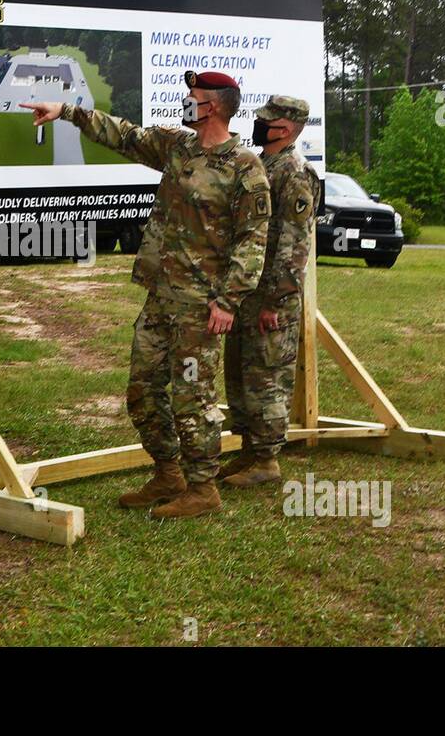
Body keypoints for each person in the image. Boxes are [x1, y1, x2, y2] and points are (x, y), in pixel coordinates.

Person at [21, 71, 270, 517]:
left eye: (192, 97)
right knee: (143, 389)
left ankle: (202, 488)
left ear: (212, 107)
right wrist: (67, 112)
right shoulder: (178, 147)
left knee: (192, 397)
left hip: (202, 306)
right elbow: (125, 135)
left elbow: (253, 241)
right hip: (161, 297)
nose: (186, 102)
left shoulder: (244, 167)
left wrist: (228, 300)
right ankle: (168, 473)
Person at [220, 95, 321, 486]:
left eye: (267, 121)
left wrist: (276, 300)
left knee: (266, 376)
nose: (259, 125)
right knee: (242, 372)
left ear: (285, 128)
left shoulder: (295, 172)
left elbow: (295, 244)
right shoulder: (264, 165)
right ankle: (248, 452)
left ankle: (266, 461)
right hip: (247, 291)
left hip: (270, 297)